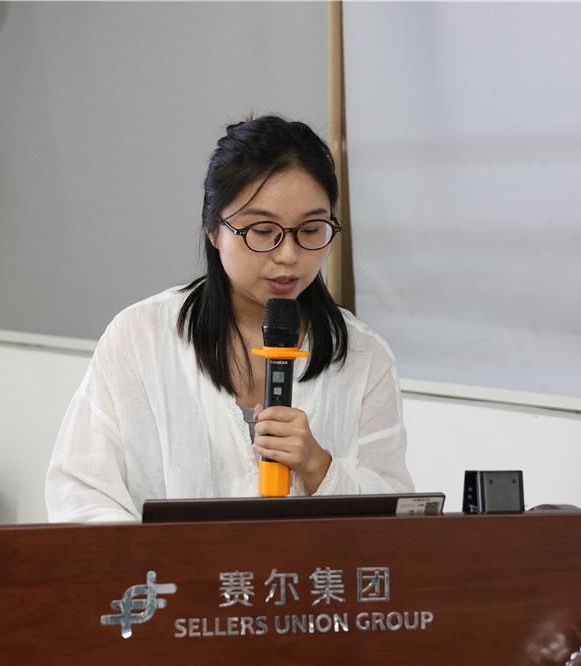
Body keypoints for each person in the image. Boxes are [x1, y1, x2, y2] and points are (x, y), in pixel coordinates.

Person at [45, 115, 413, 523]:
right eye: (262, 230)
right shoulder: (140, 336)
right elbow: (82, 493)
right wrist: (156, 559)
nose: (288, 255)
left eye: (311, 229)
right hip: (170, 566)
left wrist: (317, 465)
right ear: (212, 228)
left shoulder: (364, 354)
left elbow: (398, 513)